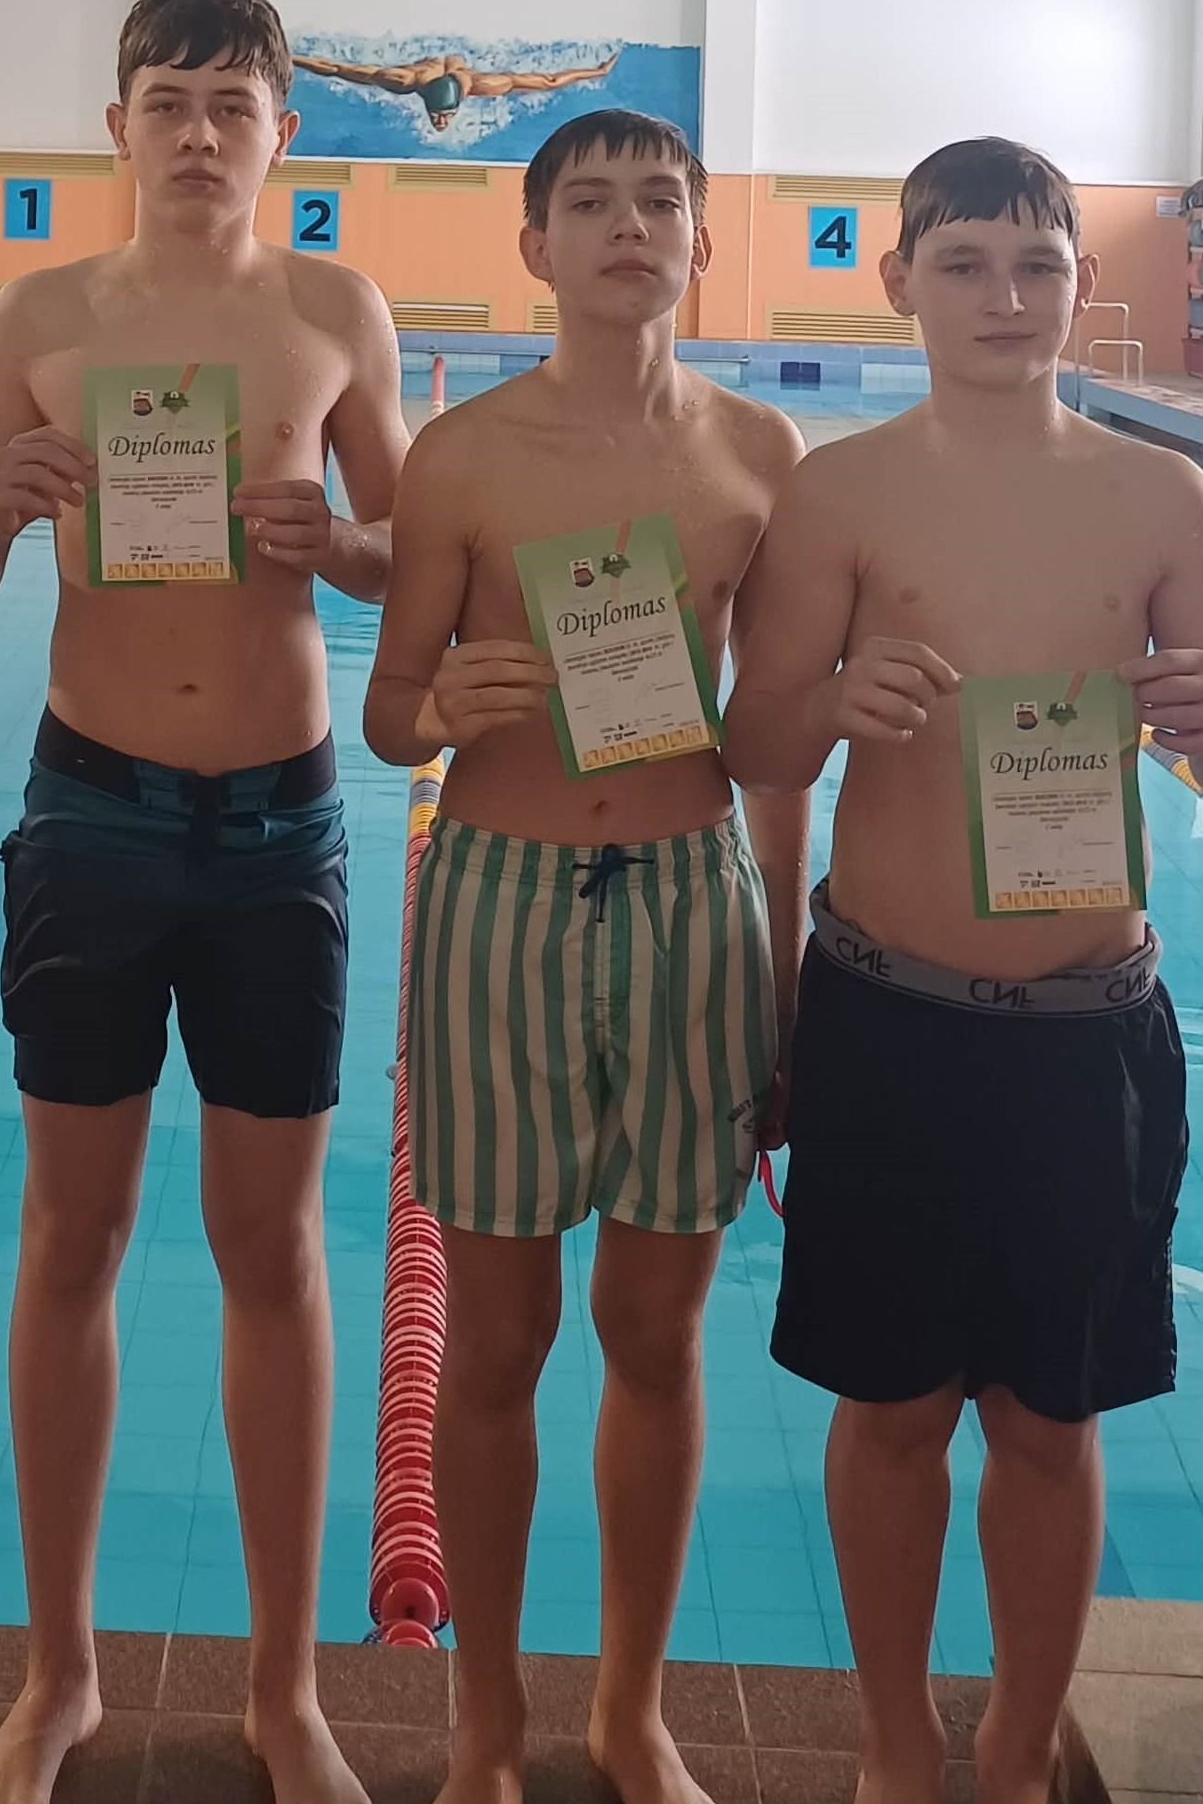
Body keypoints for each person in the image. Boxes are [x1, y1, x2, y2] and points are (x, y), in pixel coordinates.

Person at [0, 0, 408, 1804]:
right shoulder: (42, 315)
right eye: (168, 100)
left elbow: (411, 551)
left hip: (280, 826)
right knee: (69, 1240)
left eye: (232, 102)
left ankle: (284, 1689)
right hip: (94, 814)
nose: (200, 132)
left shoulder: (332, 309)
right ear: (117, 126)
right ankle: (55, 1675)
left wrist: (337, 541)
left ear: (283, 129)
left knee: (271, 1251)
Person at [722, 137, 1203, 1804]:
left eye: (1035, 264)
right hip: (887, 1016)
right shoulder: (837, 492)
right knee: (890, 1411)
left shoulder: (1158, 495)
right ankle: (887, 1747)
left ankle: (1007, 1752)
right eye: (963, 264)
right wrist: (824, 706)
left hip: (1085, 1029)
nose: (1004, 297)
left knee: (1048, 1422)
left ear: (1080, 280)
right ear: (896, 282)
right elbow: (753, 747)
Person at [364, 108, 808, 1804]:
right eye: (591, 203)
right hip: (498, 892)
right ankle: (482, 1718)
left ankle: (628, 1709)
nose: (628, 226)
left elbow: (774, 746)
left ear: (697, 239)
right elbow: (384, 708)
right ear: (533, 247)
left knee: (654, 1334)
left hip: (694, 895)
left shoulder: (758, 453)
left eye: (659, 201)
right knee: (490, 1344)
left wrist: (782, 975)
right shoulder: (460, 457)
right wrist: (434, 705)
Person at [291, 48, 621, 132]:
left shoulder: (480, 85)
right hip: (428, 67)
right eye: (440, 117)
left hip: (457, 69)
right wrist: (288, 57)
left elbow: (549, 81)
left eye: (444, 117)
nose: (441, 123)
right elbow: (336, 68)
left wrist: (597, 71)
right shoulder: (404, 80)